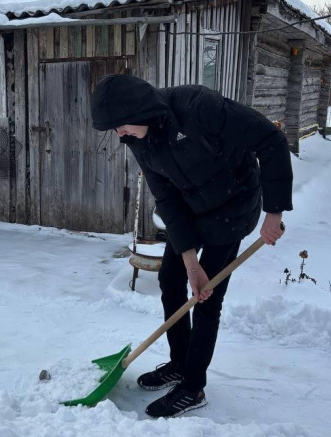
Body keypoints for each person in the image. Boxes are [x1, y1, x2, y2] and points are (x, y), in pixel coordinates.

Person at [90, 74, 292, 418]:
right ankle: (180, 363)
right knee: (172, 279)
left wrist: (274, 211)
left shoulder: (198, 107)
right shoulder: (139, 139)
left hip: (233, 205)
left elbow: (269, 139)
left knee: (207, 296)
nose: (119, 135)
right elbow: (166, 197)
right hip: (191, 208)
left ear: (138, 110)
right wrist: (188, 259)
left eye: (120, 125)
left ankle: (193, 385)